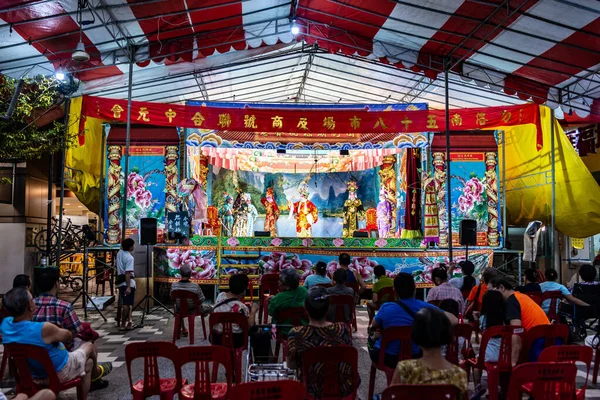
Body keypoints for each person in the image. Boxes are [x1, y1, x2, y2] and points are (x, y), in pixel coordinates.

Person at [1, 288, 97, 399]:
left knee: (87, 361)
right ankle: (96, 373)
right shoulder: (43, 329)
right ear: (29, 306)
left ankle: (95, 372)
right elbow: (68, 336)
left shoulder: (5, 325)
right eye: (32, 299)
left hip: (29, 374)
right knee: (89, 348)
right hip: (59, 372)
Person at [32, 268, 111, 389]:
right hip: (59, 356)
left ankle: (95, 374)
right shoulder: (64, 307)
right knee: (89, 343)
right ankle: (95, 375)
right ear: (56, 284)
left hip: (33, 358)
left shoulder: (30, 306)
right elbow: (76, 331)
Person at [368, 273, 458, 369]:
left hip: (386, 358)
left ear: (394, 291)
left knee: (372, 337)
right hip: (415, 356)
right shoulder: (424, 307)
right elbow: (454, 320)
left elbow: (373, 326)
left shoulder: (386, 308)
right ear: (414, 290)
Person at [287, 287, 353, 399]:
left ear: (305, 308)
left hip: (310, 392)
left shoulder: (297, 334)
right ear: (328, 308)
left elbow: (291, 365)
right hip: (342, 390)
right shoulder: (343, 329)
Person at [390, 308, 467, 398]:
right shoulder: (458, 374)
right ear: (446, 333)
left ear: (416, 335)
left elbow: (390, 395)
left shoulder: (405, 369)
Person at [489, 277, 550, 362]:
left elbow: (516, 331)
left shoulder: (512, 301)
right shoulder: (521, 296)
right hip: (548, 337)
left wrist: (513, 362)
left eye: (494, 292)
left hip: (537, 341)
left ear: (502, 288)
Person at [212, 273, 258, 348]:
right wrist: (253, 311)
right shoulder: (242, 308)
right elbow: (249, 325)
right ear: (244, 289)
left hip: (216, 337)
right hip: (235, 340)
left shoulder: (220, 295)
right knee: (255, 331)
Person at [472, 290, 507, 388]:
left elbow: (481, 331)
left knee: (476, 364)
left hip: (488, 356)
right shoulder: (506, 319)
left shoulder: (484, 319)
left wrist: (476, 319)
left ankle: (477, 387)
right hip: (505, 356)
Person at [170, 264, 208, 337]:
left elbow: (172, 298)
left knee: (180, 307)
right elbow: (202, 299)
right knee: (210, 308)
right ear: (190, 274)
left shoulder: (174, 285)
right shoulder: (195, 286)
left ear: (180, 274)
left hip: (179, 309)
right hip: (193, 309)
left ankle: (183, 329)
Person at [268, 268, 308, 334]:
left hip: (285, 330)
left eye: (280, 281)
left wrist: (273, 300)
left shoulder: (278, 298)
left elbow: (271, 312)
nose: (278, 282)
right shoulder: (304, 291)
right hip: (303, 328)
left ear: (287, 285)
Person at [116, 238, 136, 331]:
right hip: (127, 282)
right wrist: (128, 287)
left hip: (120, 282)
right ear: (130, 247)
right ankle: (123, 323)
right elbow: (128, 273)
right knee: (127, 304)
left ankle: (129, 322)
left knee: (126, 303)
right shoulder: (129, 258)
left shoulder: (119, 253)